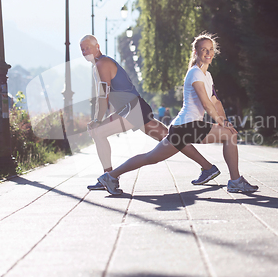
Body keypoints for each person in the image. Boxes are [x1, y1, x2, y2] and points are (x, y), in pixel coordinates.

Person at [97, 32, 259, 195]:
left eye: (211, 49)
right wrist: (221, 123)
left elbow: (216, 102)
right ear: (196, 52)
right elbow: (206, 103)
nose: (208, 53)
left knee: (151, 157)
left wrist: (224, 121)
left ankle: (110, 176)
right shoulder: (195, 73)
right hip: (188, 125)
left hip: (183, 127)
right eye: (204, 49)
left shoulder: (206, 75)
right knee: (229, 135)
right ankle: (235, 181)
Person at [79, 35, 220, 191]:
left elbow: (103, 95)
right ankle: (208, 167)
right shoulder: (100, 64)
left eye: (88, 47)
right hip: (133, 108)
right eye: (82, 49)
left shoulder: (102, 64)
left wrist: (97, 120)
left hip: (132, 109)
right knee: (171, 138)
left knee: (98, 132)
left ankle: (109, 177)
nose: (85, 51)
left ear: (97, 46)